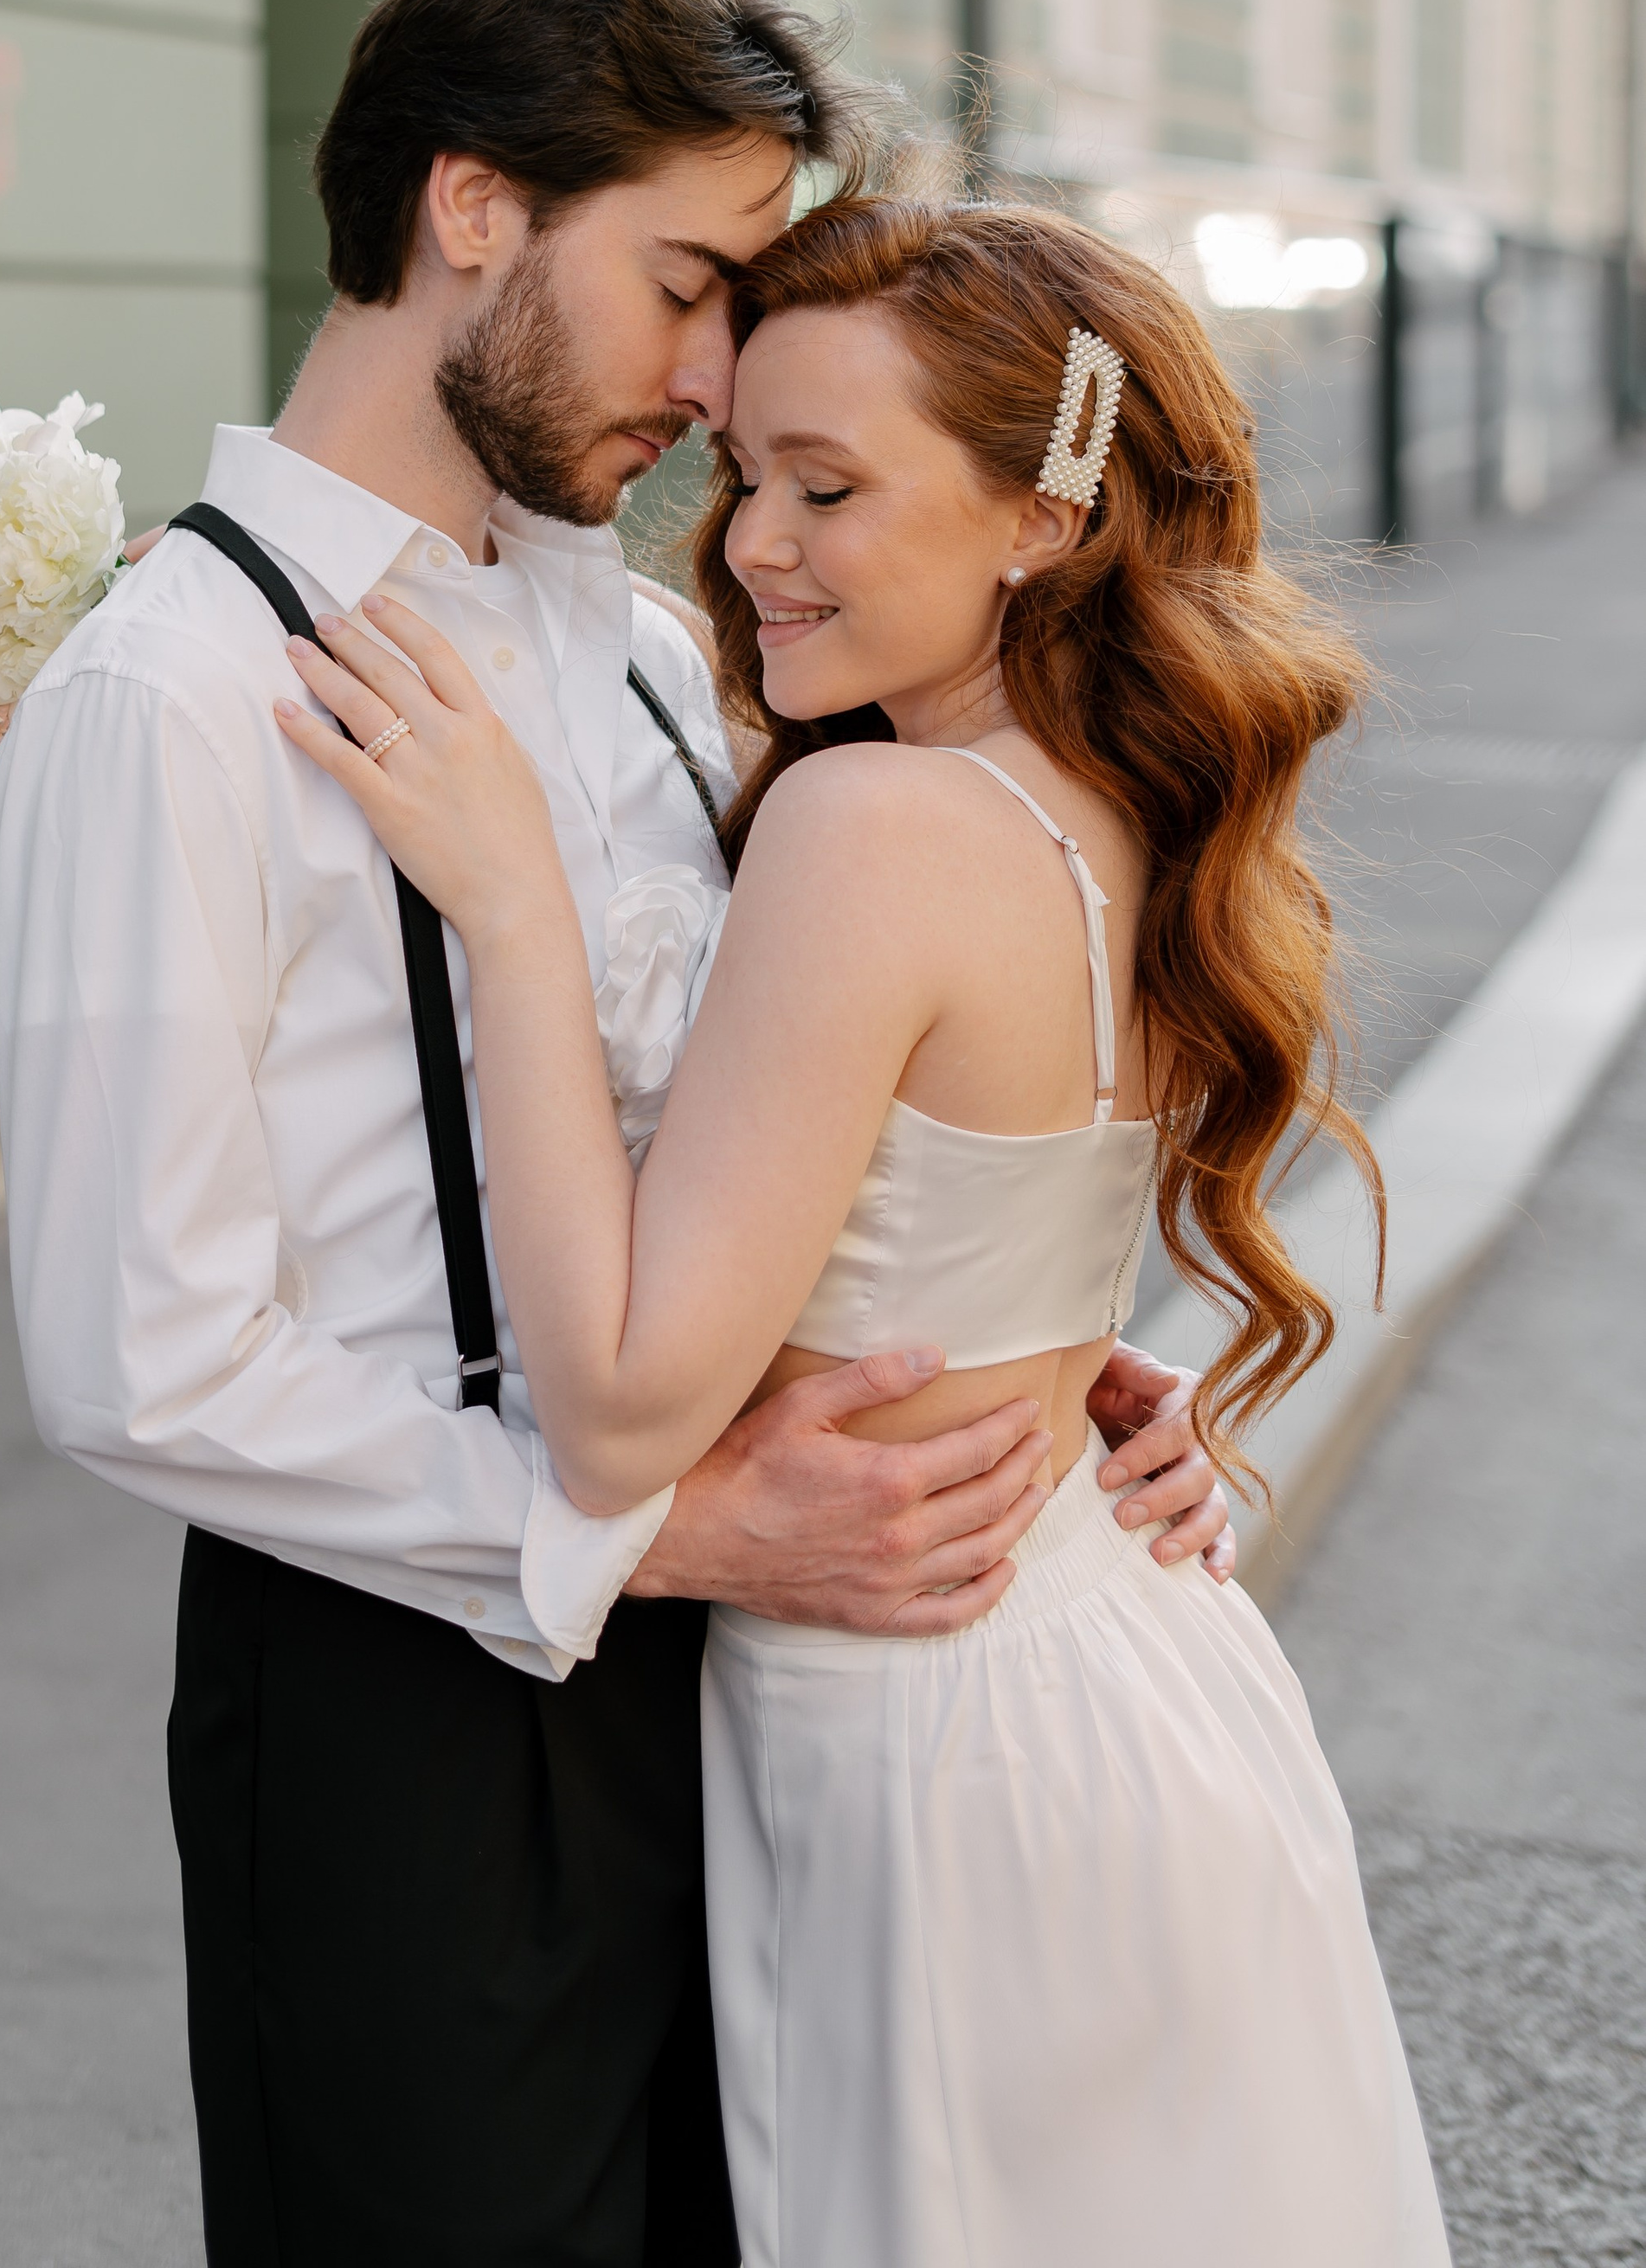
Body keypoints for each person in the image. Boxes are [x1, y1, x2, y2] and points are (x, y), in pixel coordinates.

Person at [0, 0, 1238, 2268]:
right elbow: (139, 1360)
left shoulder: (661, 647)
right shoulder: (167, 700)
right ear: (471, 205)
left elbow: (771, 1117)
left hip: (757, 1685)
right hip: (404, 1711)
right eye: (684, 284)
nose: (709, 378)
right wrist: (655, 1529)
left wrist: (1035, 1361)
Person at [280, 189, 1450, 2267]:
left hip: (934, 1746)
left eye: (827, 485)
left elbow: (626, 1407)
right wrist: (1090, 1371)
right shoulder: (1131, 809)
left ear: (1036, 518)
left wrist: (514, 918)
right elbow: (988, 1230)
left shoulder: (870, 821)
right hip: (1136, 1676)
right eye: (742, 473)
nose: (745, 542)